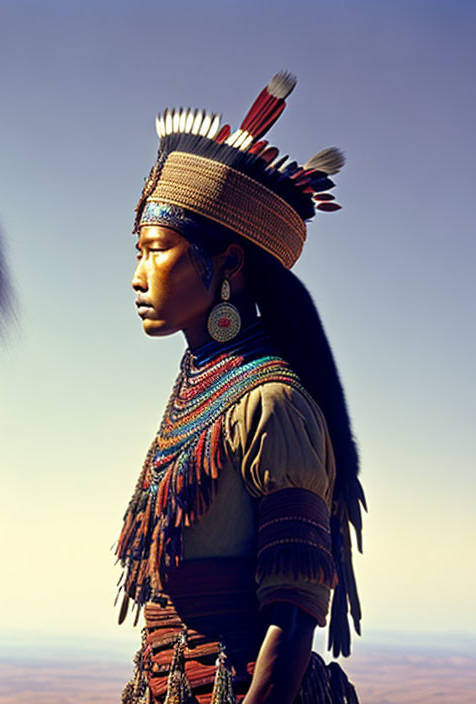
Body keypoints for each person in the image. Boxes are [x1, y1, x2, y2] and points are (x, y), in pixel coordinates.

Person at [116, 72, 365, 704]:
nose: (139, 277)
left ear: (228, 264)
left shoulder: (271, 402)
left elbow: (296, 608)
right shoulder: (199, 391)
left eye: (157, 251)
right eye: (137, 254)